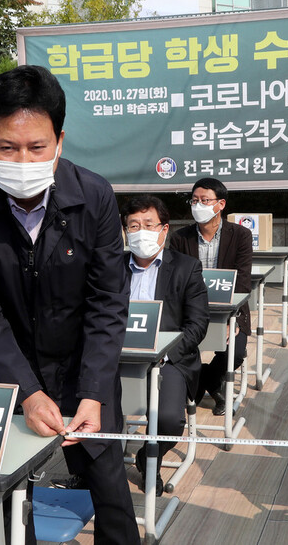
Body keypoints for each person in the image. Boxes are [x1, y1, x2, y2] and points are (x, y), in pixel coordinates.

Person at [0, 65, 139, 544]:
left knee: (107, 481)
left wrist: (92, 390)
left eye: (37, 147)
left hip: (81, 365)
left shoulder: (94, 197)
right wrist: (27, 391)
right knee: (4, 487)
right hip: (0, 370)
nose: (22, 159)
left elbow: (108, 302)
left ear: (60, 142)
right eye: (7, 148)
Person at [121, 195, 209, 496]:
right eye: (133, 225)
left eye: (148, 224)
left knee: (170, 419)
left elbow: (197, 325)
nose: (140, 231)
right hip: (119, 359)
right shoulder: (110, 268)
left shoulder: (187, 268)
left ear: (164, 229)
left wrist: (164, 354)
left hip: (168, 361)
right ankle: (93, 473)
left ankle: (150, 458)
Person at [168, 178, 252, 416]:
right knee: (177, 348)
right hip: (189, 311)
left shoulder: (240, 235)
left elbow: (243, 282)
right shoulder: (179, 238)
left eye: (205, 200)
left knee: (234, 352)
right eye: (194, 200)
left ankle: (204, 380)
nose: (198, 205)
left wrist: (229, 319)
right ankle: (212, 388)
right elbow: (174, 283)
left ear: (221, 204)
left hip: (230, 310)